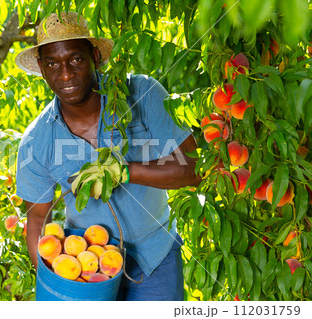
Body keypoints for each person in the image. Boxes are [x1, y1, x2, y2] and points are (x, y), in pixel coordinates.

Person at [14, 11, 201, 301]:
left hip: (154, 258)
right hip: (86, 270)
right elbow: (37, 219)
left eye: (75, 59)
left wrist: (124, 172)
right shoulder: (37, 140)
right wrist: (55, 285)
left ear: (95, 57)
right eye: (52, 64)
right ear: (41, 68)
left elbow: (194, 169)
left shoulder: (142, 93)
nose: (65, 74)